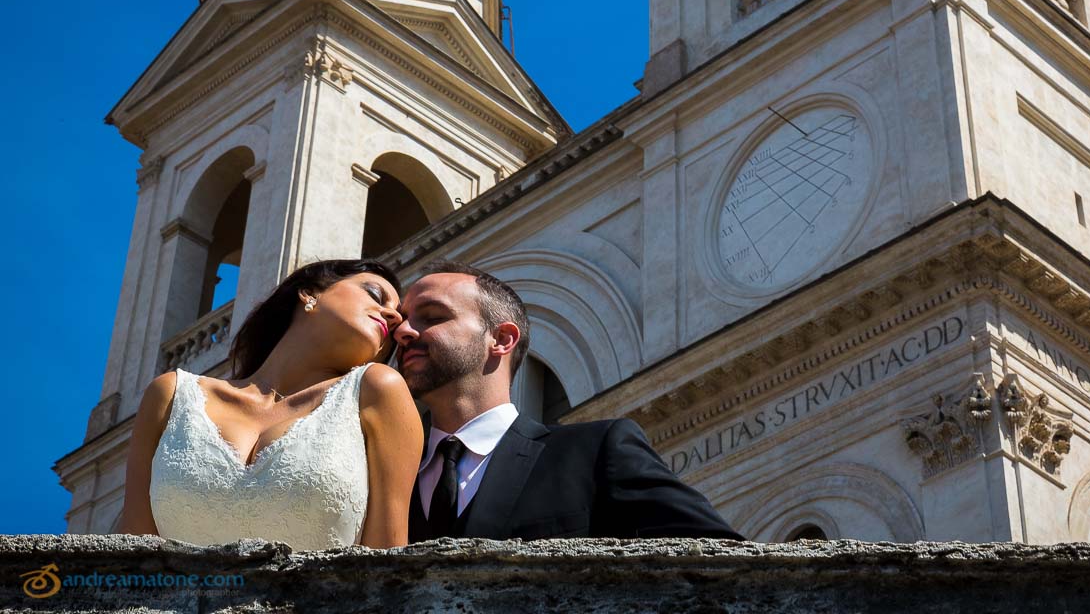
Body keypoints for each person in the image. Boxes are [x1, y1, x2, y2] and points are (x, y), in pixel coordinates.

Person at [394, 260, 742, 540]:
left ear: (501, 338)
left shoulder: (596, 452)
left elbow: (726, 570)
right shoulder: (385, 474)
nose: (404, 332)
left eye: (434, 317)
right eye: (404, 320)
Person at [120, 259, 424, 550]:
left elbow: (386, 564)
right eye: (374, 294)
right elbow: (133, 557)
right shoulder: (171, 395)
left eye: (396, 314)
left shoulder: (378, 392)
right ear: (310, 292)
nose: (395, 317)